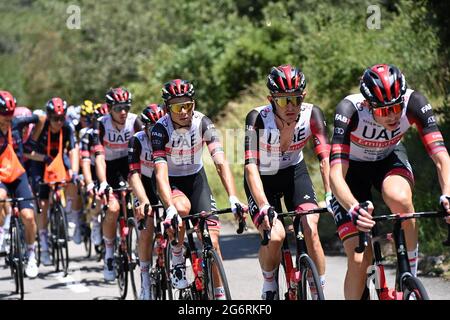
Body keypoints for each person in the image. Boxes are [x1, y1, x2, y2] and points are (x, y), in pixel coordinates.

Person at [329, 63, 450, 300]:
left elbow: (441, 157)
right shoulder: (349, 110)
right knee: (358, 259)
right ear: (367, 105)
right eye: (384, 111)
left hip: (389, 158)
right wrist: (353, 208)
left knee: (401, 199)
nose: (393, 115)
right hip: (352, 171)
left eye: (397, 107)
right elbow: (335, 174)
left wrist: (447, 194)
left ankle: (409, 280)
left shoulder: (414, 102)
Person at [151, 79, 247, 300]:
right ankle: (177, 256)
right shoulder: (159, 130)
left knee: (213, 241)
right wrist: (169, 208)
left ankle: (220, 295)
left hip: (196, 179)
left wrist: (233, 197)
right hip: (172, 182)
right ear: (167, 109)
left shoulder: (202, 122)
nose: (183, 111)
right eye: (177, 107)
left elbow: (220, 161)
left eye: (188, 105)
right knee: (182, 209)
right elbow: (161, 173)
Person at [244, 64, 332, 300]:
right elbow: (250, 167)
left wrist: (331, 195)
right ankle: (270, 281)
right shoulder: (257, 119)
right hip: (264, 176)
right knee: (275, 236)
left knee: (311, 228)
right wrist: (263, 205)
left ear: (302, 96)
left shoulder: (312, 114)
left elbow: (326, 159)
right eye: (284, 101)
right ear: (271, 100)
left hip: (294, 171)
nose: (291, 107)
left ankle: (318, 292)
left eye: (295, 99)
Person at [92, 87, 143, 281]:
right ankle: (109, 255)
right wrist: (103, 182)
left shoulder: (134, 121)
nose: (123, 112)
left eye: (126, 107)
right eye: (118, 108)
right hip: (109, 166)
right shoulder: (101, 124)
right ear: (109, 108)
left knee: (143, 201)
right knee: (113, 209)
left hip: (129, 164)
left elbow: (146, 148)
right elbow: (99, 157)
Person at [24, 97, 79, 266]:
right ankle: (44, 244)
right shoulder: (41, 127)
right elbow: (27, 152)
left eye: (62, 118)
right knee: (43, 201)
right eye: (55, 118)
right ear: (48, 117)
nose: (59, 122)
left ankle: (69, 214)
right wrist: (44, 158)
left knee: (73, 181)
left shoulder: (67, 127)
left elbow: (74, 150)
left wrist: (74, 172)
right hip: (40, 161)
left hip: (58, 159)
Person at [0, 91, 45, 278]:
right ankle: (2, 232)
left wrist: (31, 143)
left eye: (10, 116)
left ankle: (31, 253)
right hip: (1, 176)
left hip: (18, 174)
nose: (8, 120)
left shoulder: (17, 123)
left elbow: (41, 118)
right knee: (1, 198)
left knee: (28, 216)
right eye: (4, 117)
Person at [128, 103, 166, 300]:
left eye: (159, 125)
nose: (156, 130)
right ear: (145, 128)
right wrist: (143, 201)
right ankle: (144, 279)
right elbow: (133, 174)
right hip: (144, 184)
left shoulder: (170, 135)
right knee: (148, 226)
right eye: (152, 127)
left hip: (164, 183)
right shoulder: (137, 140)